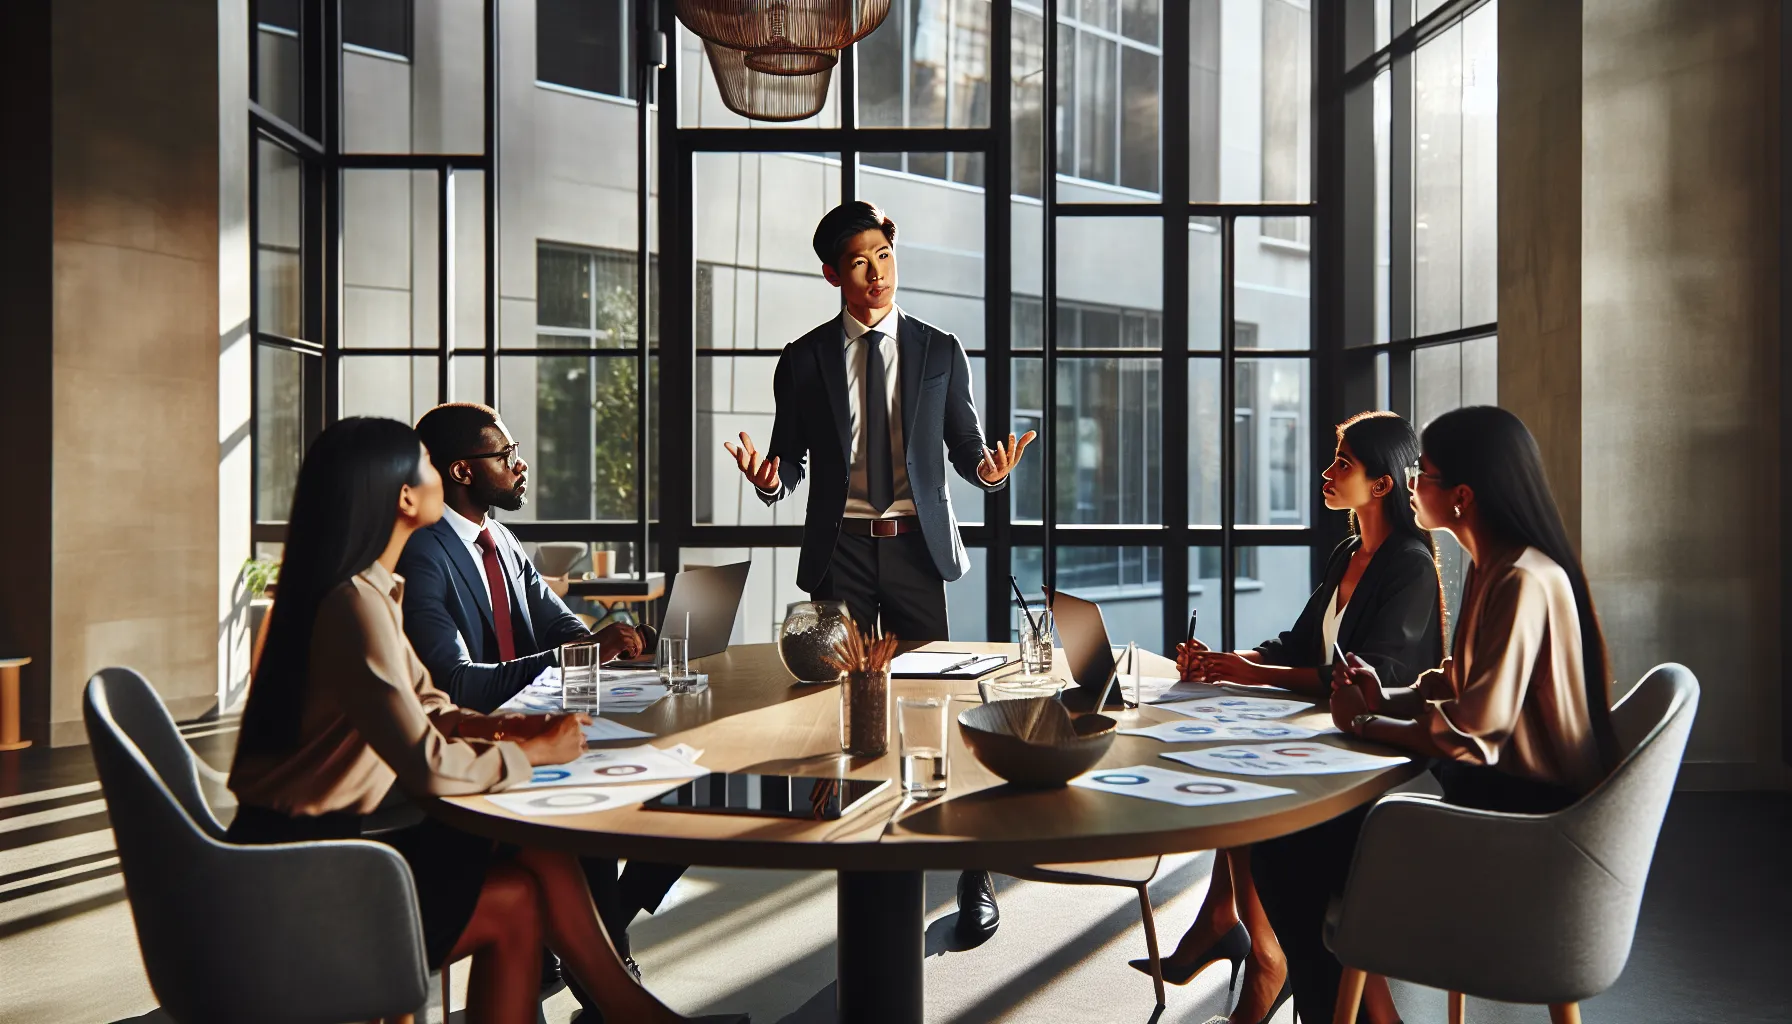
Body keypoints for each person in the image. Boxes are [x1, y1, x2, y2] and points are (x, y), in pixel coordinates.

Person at [227, 417, 740, 1024]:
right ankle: (631, 1011)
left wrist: (515, 730)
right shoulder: (354, 604)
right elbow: (424, 760)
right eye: (424, 462)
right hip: (305, 873)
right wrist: (536, 753)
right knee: (530, 874)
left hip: (330, 854)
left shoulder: (368, 590)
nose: (436, 469)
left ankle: (627, 1010)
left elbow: (432, 708)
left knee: (537, 870)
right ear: (403, 495)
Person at [720, 200, 1036, 940]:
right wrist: (767, 481)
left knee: (943, 709)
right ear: (832, 273)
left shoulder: (938, 348)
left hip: (918, 551)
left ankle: (971, 868)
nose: (876, 274)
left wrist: (990, 474)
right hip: (844, 554)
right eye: (859, 262)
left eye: (885, 257)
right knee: (848, 711)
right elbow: (788, 463)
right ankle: (863, 853)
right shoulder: (803, 358)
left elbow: (965, 448)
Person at [1252, 405, 1617, 1023]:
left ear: (1463, 496)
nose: (1412, 482)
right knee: (1292, 840)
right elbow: (1450, 684)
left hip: (1520, 838)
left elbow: (1473, 735)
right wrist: (1380, 696)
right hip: (1500, 812)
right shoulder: (1495, 567)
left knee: (1291, 848)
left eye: (1425, 473)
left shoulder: (1520, 580)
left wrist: (1362, 723)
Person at [1147, 411, 1443, 1024]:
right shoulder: (1347, 553)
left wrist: (1250, 674)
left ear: (1381, 484)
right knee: (1244, 796)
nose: (1327, 473)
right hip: (1333, 737)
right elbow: (1299, 647)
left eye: (1342, 464)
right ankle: (1257, 951)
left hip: (1379, 756)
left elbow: (1371, 679)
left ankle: (1266, 958)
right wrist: (1228, 661)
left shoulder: (1409, 564)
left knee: (1275, 835)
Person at [398, 401, 683, 998]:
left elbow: (563, 628)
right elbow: (457, 683)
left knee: (677, 778)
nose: (521, 465)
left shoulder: (500, 538)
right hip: (485, 744)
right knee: (594, 815)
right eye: (505, 456)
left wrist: (601, 646)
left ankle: (589, 949)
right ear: (462, 472)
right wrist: (579, 657)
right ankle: (606, 974)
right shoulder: (424, 554)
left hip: (540, 728)